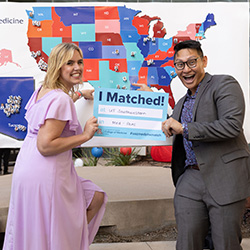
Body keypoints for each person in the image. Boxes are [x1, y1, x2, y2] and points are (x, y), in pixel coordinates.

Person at [3, 43, 107, 250]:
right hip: (47, 173)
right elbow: (46, 145)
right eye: (69, 63)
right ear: (57, 66)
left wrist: (78, 94)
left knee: (38, 228)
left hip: (29, 169)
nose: (77, 67)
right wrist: (85, 135)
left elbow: (53, 111)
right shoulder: (60, 99)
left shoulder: (44, 90)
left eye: (79, 62)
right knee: (62, 223)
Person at [162, 40, 250, 250]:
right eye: (180, 65)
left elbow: (231, 126)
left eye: (192, 62)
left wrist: (185, 128)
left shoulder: (224, 84)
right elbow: (175, 128)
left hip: (224, 177)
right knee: (186, 243)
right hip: (189, 179)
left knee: (224, 244)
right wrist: (150, 103)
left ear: (204, 61)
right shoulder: (181, 103)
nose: (186, 69)